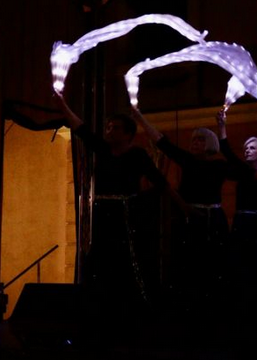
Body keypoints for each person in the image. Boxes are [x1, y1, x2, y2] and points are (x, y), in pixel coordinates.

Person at [53, 90, 179, 306]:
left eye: (116, 128)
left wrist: (183, 206)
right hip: (102, 212)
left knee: (125, 254)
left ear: (128, 134)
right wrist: (62, 105)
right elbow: (81, 129)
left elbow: (160, 182)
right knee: (100, 254)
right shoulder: (103, 149)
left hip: (126, 214)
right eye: (108, 127)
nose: (110, 131)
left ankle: (130, 301)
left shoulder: (137, 155)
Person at [131, 106, 252, 311]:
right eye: (194, 139)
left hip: (214, 218)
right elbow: (162, 142)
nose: (195, 143)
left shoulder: (219, 166)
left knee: (215, 259)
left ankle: (216, 302)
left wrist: (222, 130)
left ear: (210, 144)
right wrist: (141, 118)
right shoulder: (187, 160)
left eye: (200, 140)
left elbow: (245, 172)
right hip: (191, 216)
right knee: (189, 259)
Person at [215, 109, 257, 286]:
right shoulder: (243, 171)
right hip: (241, 221)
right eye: (246, 148)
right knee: (240, 261)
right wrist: (221, 126)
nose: (247, 150)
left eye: (252, 148)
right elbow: (227, 151)